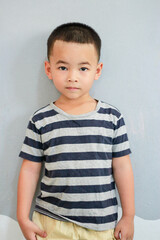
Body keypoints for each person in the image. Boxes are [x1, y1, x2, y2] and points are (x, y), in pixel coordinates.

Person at [17, 22, 135, 240]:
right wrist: (23, 218)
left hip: (102, 225)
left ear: (97, 70)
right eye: (63, 67)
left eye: (83, 68)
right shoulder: (41, 120)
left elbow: (122, 167)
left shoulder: (112, 118)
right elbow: (30, 170)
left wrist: (129, 215)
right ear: (49, 69)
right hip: (51, 223)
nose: (72, 76)